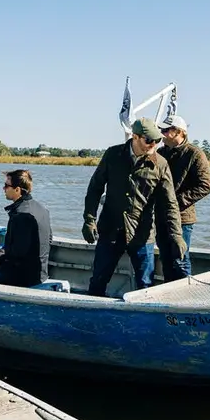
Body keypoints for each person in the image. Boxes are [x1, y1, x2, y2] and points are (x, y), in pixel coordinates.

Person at [82, 117, 188, 297]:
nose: (153, 144)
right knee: (99, 280)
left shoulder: (160, 164)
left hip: (142, 233)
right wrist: (89, 220)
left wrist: (177, 235)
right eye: (149, 140)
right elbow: (95, 188)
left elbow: (170, 203)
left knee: (146, 285)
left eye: (157, 140)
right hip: (111, 230)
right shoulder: (113, 155)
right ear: (135, 137)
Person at [0, 169, 52, 287]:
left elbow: (17, 253)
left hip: (22, 276)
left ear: (17, 190)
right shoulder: (42, 209)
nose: (3, 188)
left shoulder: (21, 215)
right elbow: (49, 240)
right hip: (40, 273)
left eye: (6, 185)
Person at [157, 114, 210, 275]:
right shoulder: (160, 152)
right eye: (161, 130)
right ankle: (169, 289)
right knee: (165, 259)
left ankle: (185, 289)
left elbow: (205, 185)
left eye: (166, 130)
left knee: (180, 259)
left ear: (179, 132)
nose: (162, 134)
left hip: (183, 217)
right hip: (160, 216)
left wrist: (175, 202)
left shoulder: (194, 154)